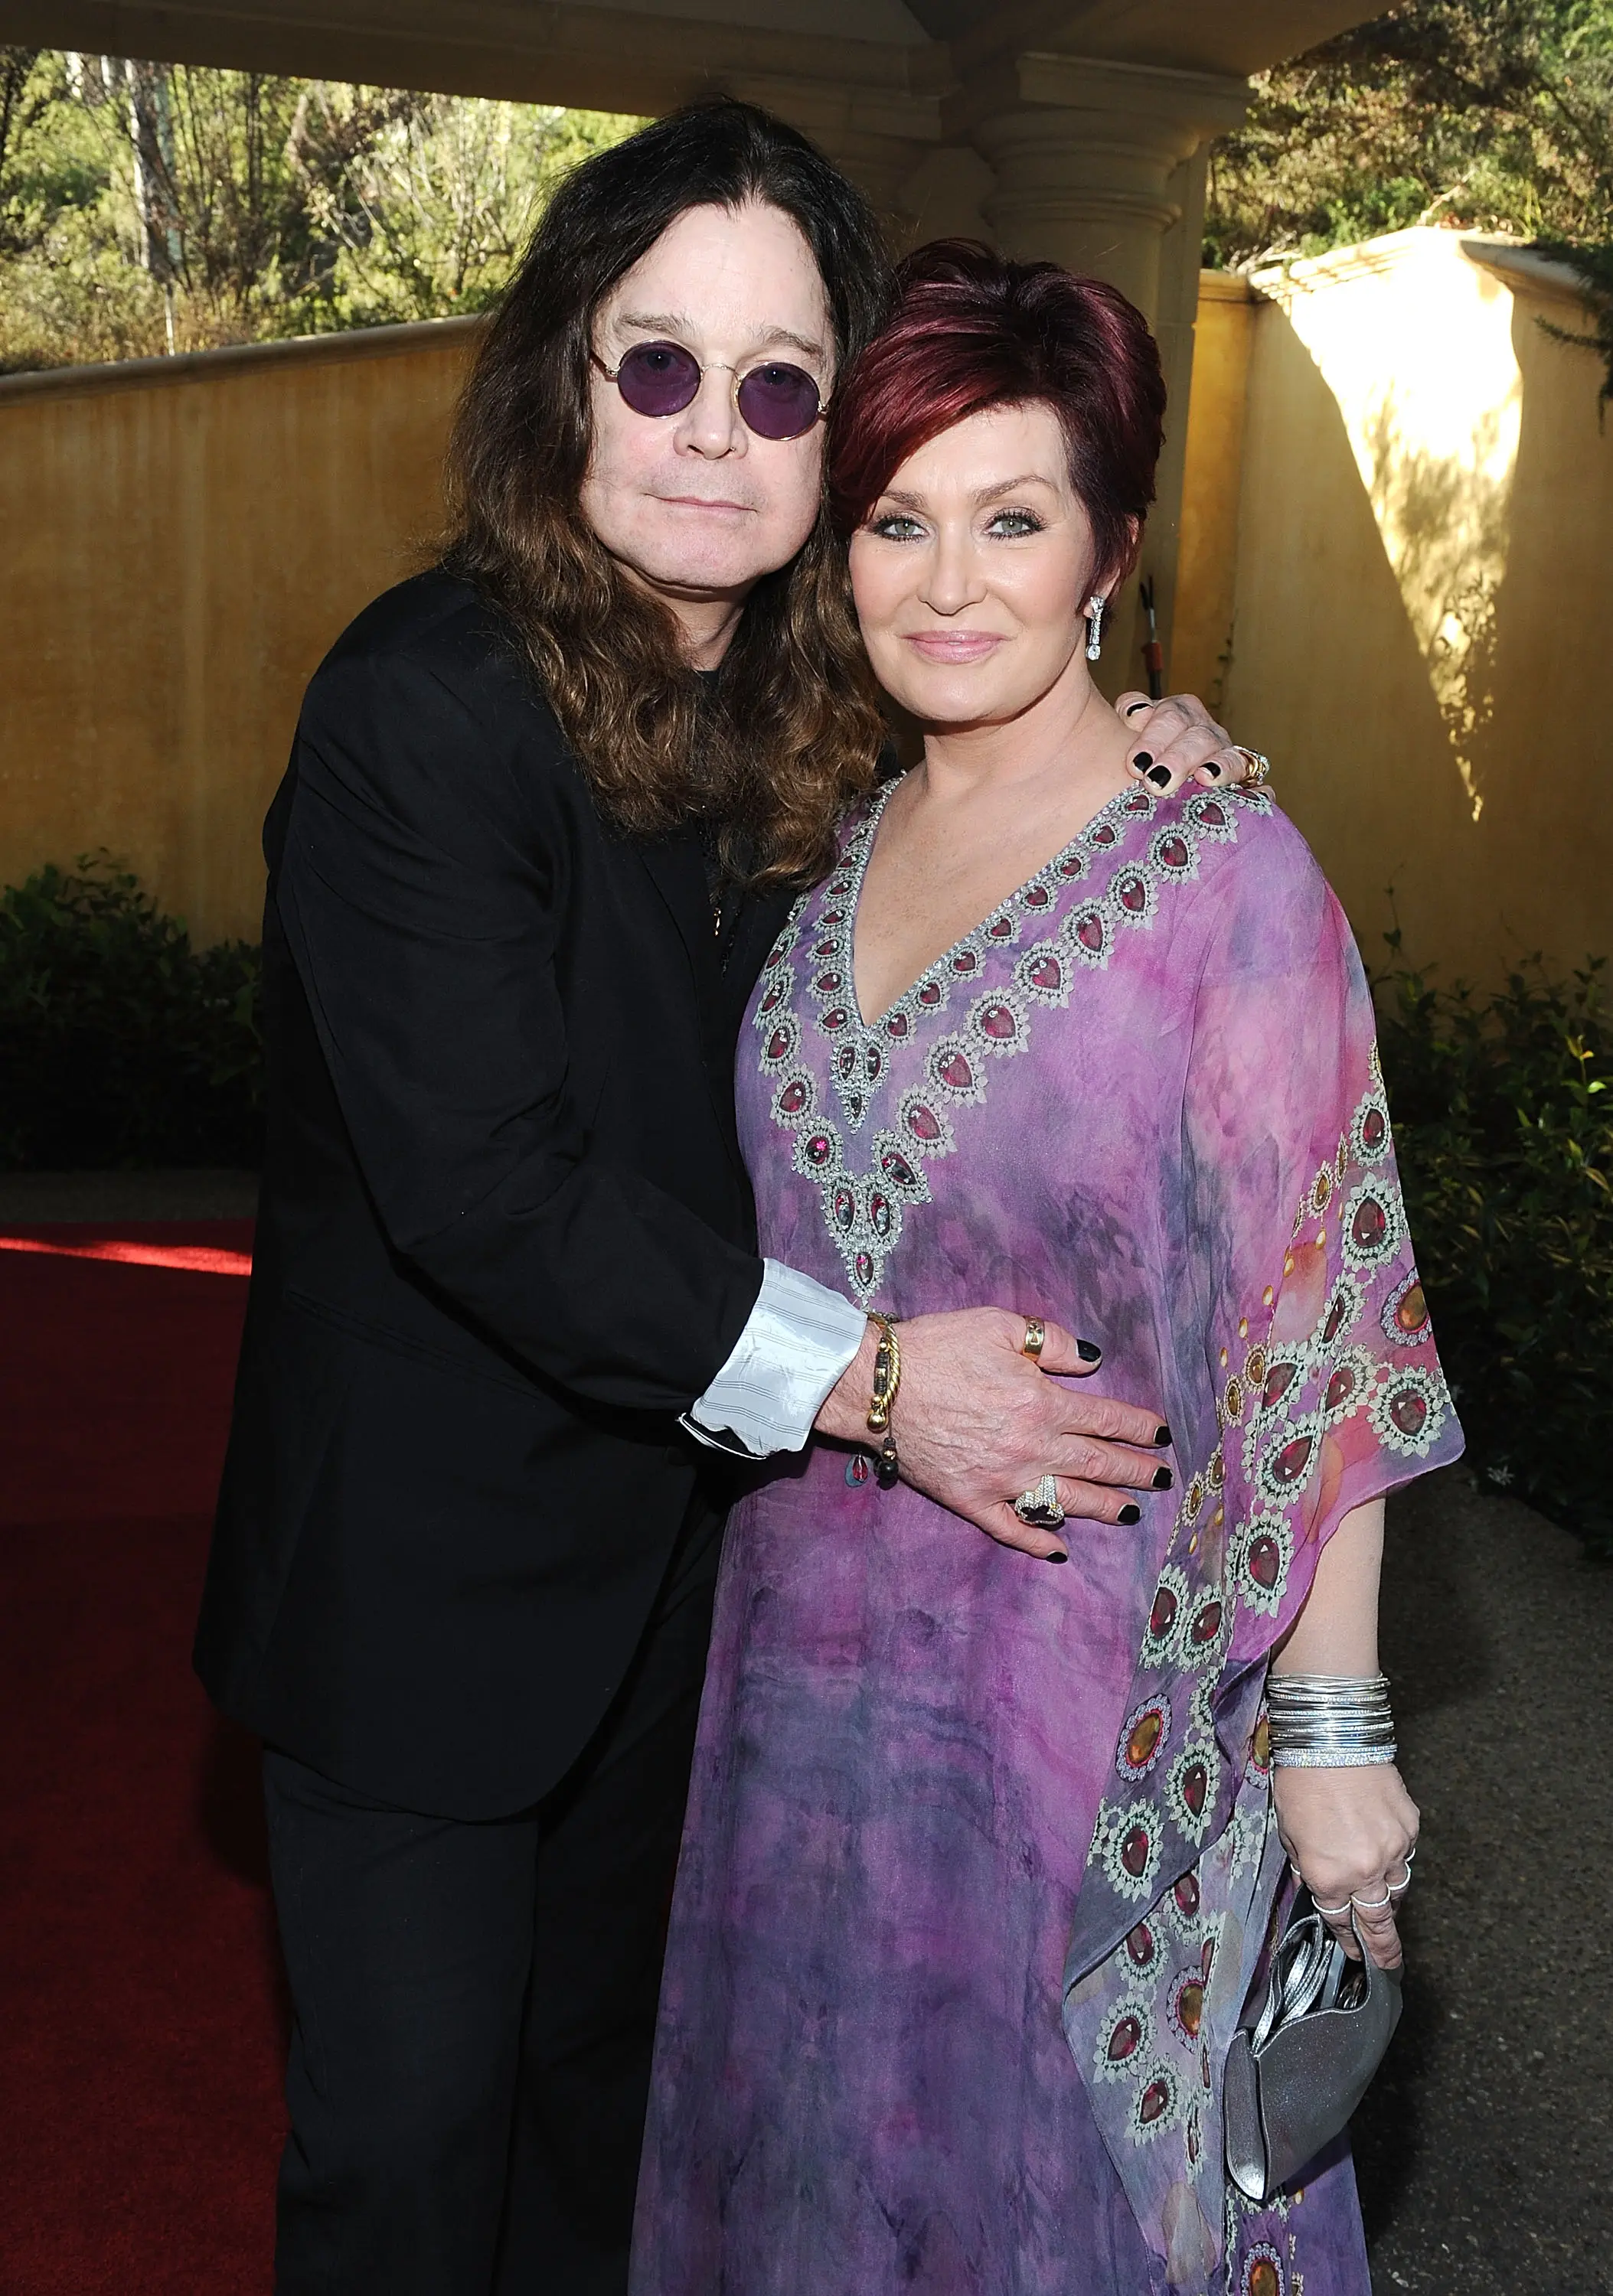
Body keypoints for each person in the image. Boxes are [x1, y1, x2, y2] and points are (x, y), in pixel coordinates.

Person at [194, 107, 1252, 2296]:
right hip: (423, 1608)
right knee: (409, 2167)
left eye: (781, 386)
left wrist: (1124, 740)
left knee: (615, 2136)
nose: (711, 432)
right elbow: (492, 1193)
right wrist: (872, 1384)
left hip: (683, 1601)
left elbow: (971, 838)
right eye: (657, 363)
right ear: (564, 377)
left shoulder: (797, 710)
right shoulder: (425, 705)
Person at [632, 242, 1464, 2296]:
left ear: (1108, 547)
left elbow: (1319, 1307)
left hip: (1089, 1718)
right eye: (899, 520)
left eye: (1013, 519)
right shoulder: (818, 854)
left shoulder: (1228, 875)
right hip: (793, 1700)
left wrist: (1335, 1726)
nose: (945, 582)